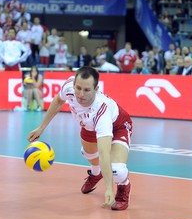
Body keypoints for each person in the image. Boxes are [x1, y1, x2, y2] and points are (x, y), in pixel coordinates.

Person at [27, 66, 133, 211]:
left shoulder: (101, 111)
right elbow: (58, 101)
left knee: (116, 170)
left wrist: (109, 188)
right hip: (88, 126)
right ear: (74, 83)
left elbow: (104, 154)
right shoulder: (69, 87)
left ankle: (123, 186)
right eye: (78, 88)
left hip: (117, 126)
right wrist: (41, 127)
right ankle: (96, 174)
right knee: (89, 154)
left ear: (96, 89)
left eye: (87, 90)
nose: (81, 94)